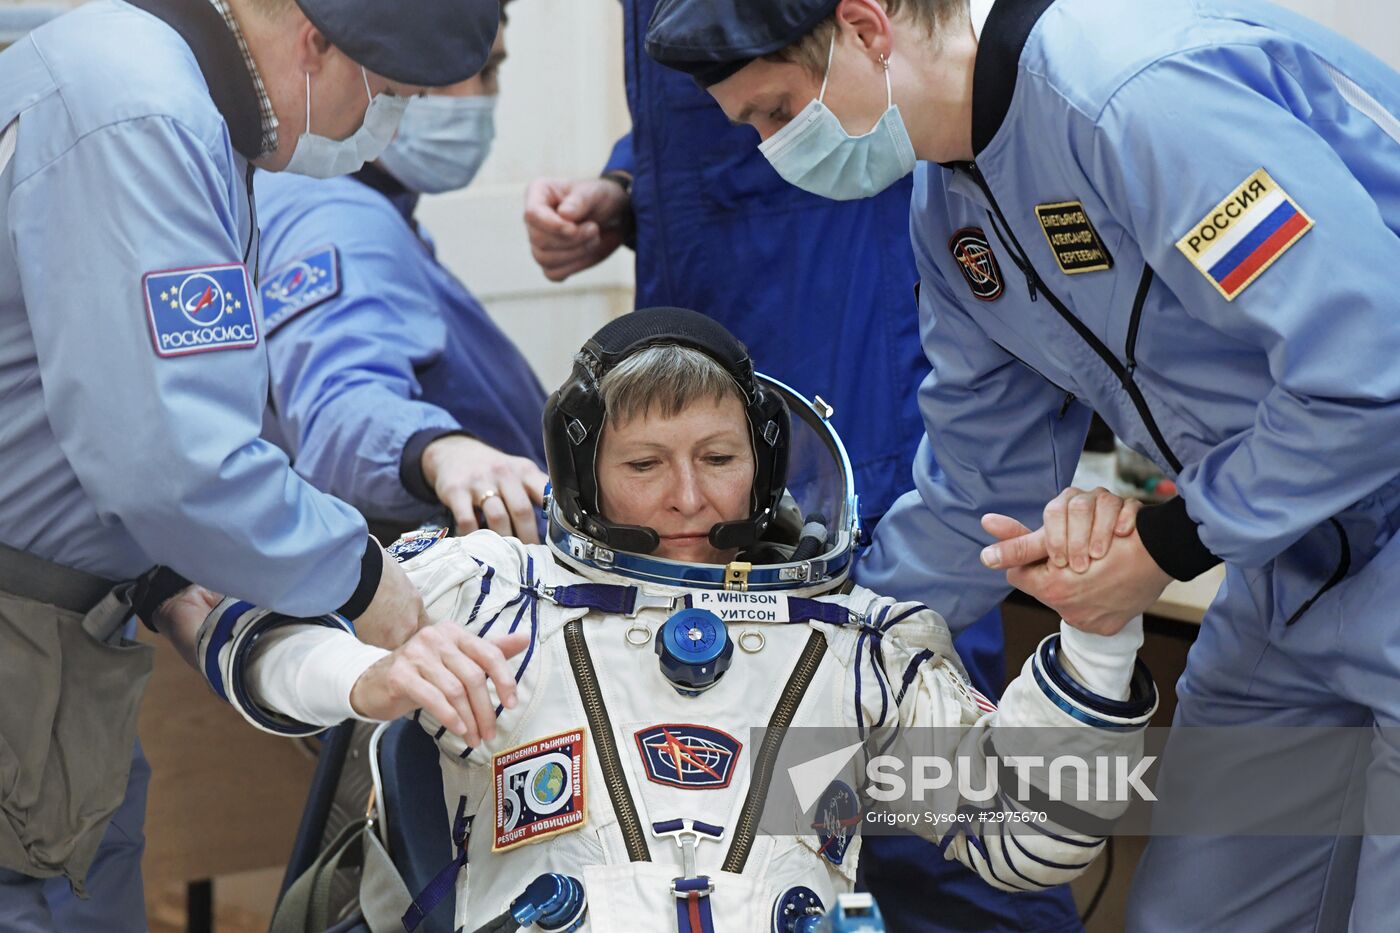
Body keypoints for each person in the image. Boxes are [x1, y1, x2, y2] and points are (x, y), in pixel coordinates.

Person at [642, 0, 1400, 927]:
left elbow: (1371, 369)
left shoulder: (1130, 96)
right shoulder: (952, 211)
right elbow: (976, 483)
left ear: (866, 26)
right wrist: (816, 661)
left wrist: (1168, 540)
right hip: (1289, 563)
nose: (774, 147)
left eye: (776, 110)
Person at [197, 307, 1156, 933]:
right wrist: (362, 678)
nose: (689, 497)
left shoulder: (853, 643)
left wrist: (1097, 640)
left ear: (765, 466)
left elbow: (1027, 840)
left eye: (719, 456)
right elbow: (246, 632)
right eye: (645, 464)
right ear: (585, 477)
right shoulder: (488, 588)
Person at [521, 6, 1046, 924]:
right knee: (706, 813)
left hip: (853, 406)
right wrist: (626, 183)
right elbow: (721, 95)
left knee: (920, 806)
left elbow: (841, 74)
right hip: (706, 397)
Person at [0, 0, 499, 928]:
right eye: (385, 94)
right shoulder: (143, 110)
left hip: (71, 641)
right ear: (318, 43)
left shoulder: (152, 87)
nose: (377, 127)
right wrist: (359, 577)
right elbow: (172, 460)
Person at [257, 4, 548, 546]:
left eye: (494, 73)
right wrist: (439, 451)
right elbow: (340, 401)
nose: (484, 99)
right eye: (479, 70)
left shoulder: (377, 208)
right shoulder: (337, 219)